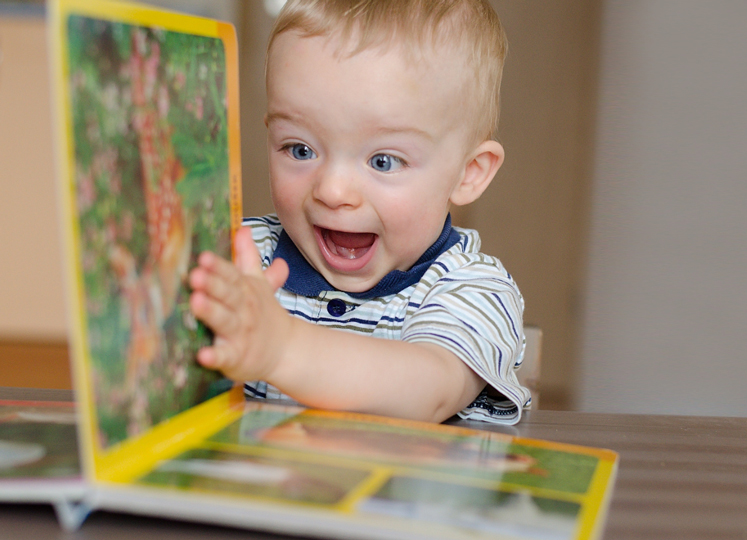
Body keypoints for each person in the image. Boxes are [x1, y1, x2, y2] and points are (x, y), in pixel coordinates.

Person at [188, 0, 530, 424]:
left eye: (383, 160)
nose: (332, 191)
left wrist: (282, 349)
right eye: (301, 149)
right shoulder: (239, 258)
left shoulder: (474, 290)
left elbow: (430, 389)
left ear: (468, 173)